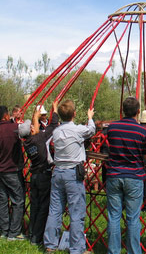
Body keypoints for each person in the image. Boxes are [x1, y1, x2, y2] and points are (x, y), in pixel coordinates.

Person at [43, 100, 95, 254]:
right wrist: (90, 116)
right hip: (73, 174)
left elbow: (46, 145)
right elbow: (91, 130)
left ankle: (50, 245)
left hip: (58, 172)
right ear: (74, 114)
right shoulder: (78, 130)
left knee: (55, 210)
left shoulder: (57, 131)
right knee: (76, 211)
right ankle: (77, 248)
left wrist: (51, 161)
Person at [106, 97, 146, 254]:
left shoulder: (112, 128)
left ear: (123, 110)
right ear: (138, 112)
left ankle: (113, 251)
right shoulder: (143, 132)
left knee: (113, 216)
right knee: (133, 218)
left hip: (114, 175)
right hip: (134, 177)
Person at [19, 101, 59, 246]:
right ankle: (37, 238)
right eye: (32, 126)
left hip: (34, 176)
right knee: (43, 207)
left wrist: (35, 116)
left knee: (35, 206)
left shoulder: (28, 142)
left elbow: (37, 129)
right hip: (43, 176)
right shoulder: (39, 139)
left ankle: (32, 233)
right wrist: (54, 110)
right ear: (31, 131)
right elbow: (53, 126)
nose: (33, 125)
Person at [0, 106, 25, 240]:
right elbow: (28, 129)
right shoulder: (15, 129)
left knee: (2, 200)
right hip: (13, 170)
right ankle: (14, 233)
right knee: (18, 201)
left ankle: (4, 231)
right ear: (6, 116)